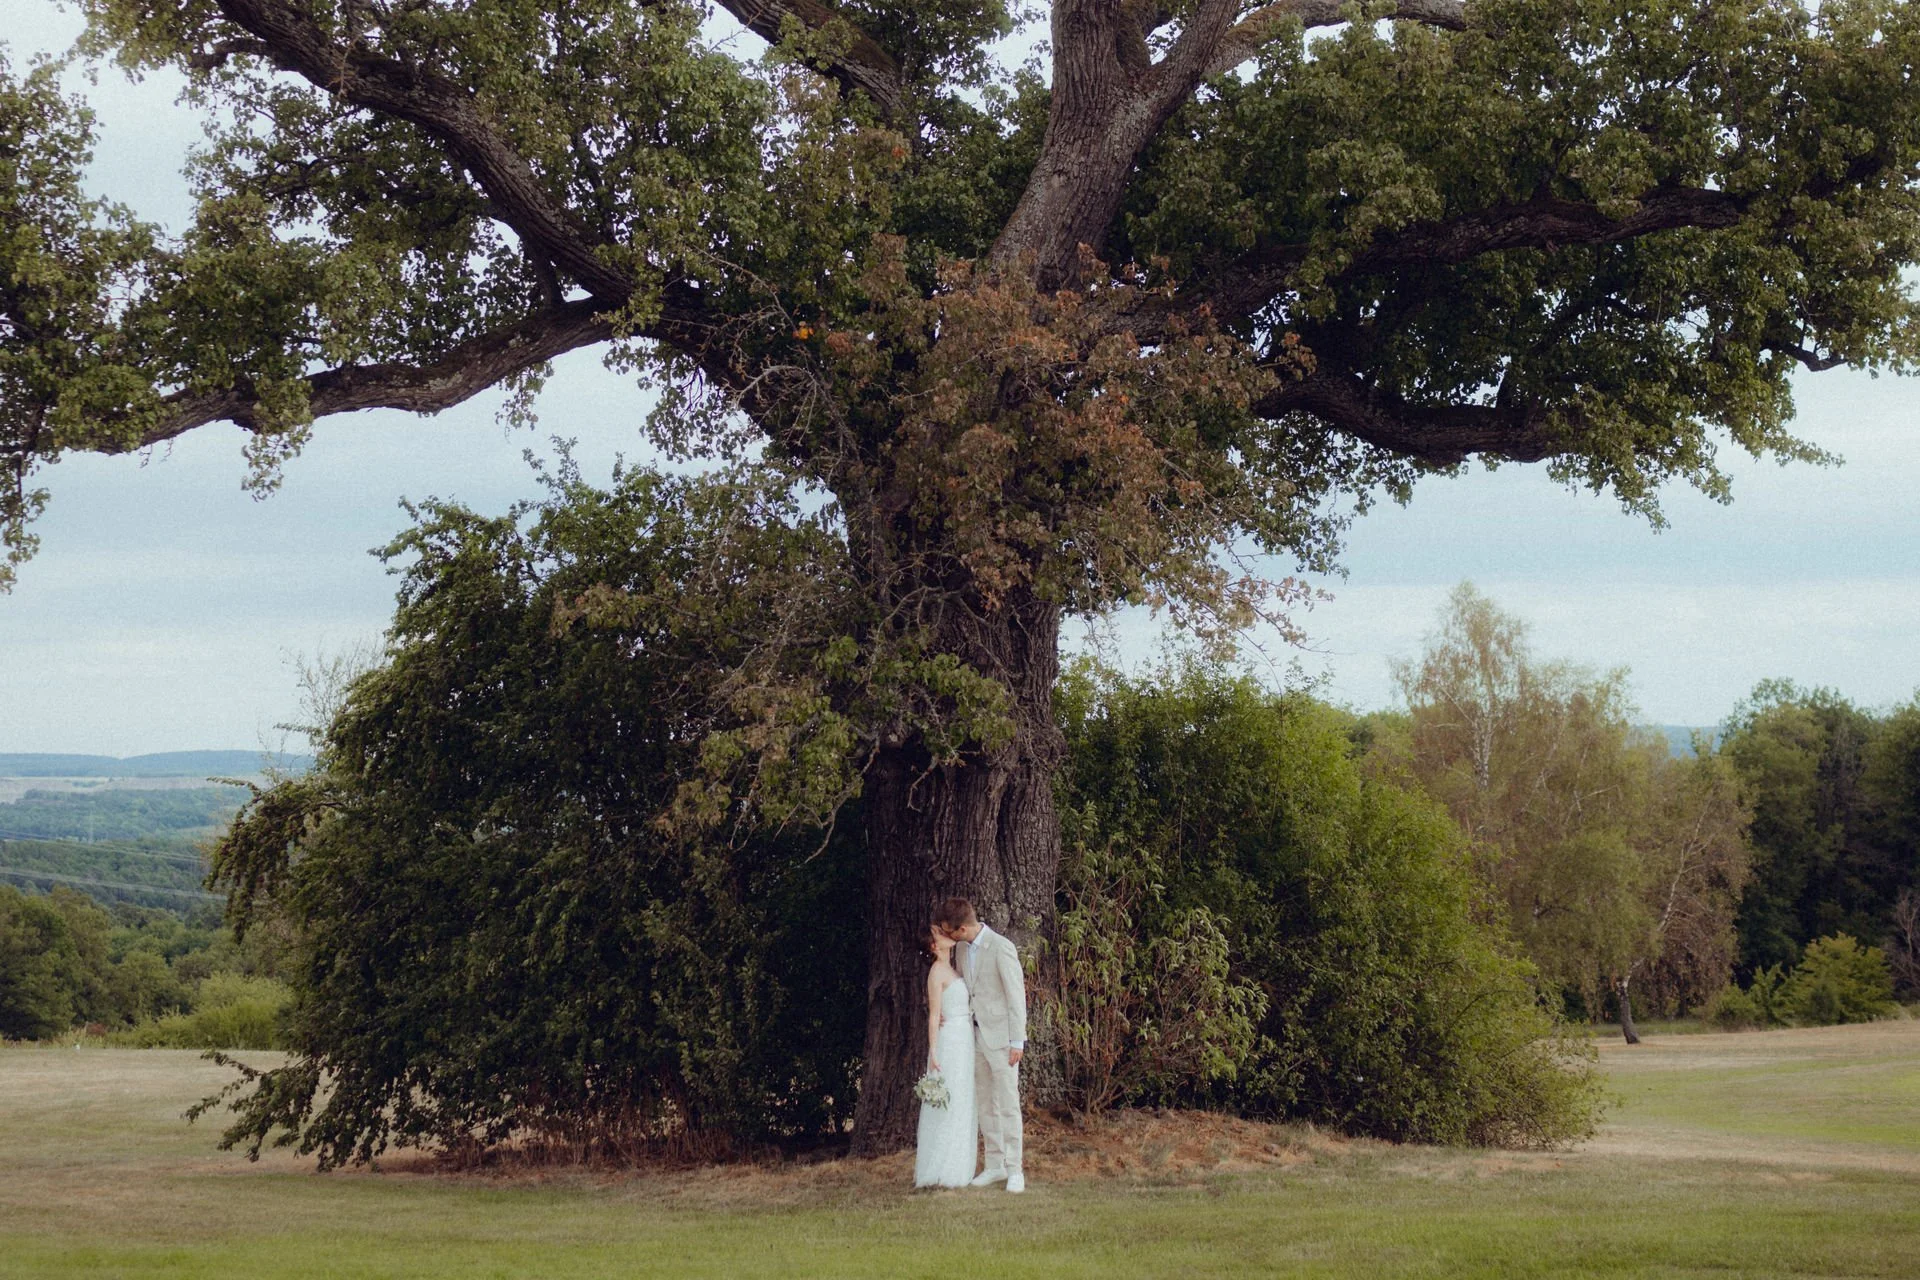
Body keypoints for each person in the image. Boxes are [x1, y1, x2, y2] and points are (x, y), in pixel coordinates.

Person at [934, 896, 1027, 1193]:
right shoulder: (961, 949)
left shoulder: (1002, 948)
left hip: (1002, 1040)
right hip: (974, 1039)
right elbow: (961, 988)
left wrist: (1017, 1041)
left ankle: (1015, 1169)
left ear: (961, 928)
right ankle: (995, 1164)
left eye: (949, 931)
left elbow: (1016, 998)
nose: (947, 936)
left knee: (1008, 1104)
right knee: (985, 1103)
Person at [913, 923, 977, 1188]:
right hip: (951, 1039)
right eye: (939, 934)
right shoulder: (937, 973)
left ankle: (960, 1165)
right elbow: (934, 1015)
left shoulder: (955, 965)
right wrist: (933, 1051)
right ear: (933, 946)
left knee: (963, 1098)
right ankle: (943, 1168)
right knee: (951, 1100)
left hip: (965, 1037)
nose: (945, 935)